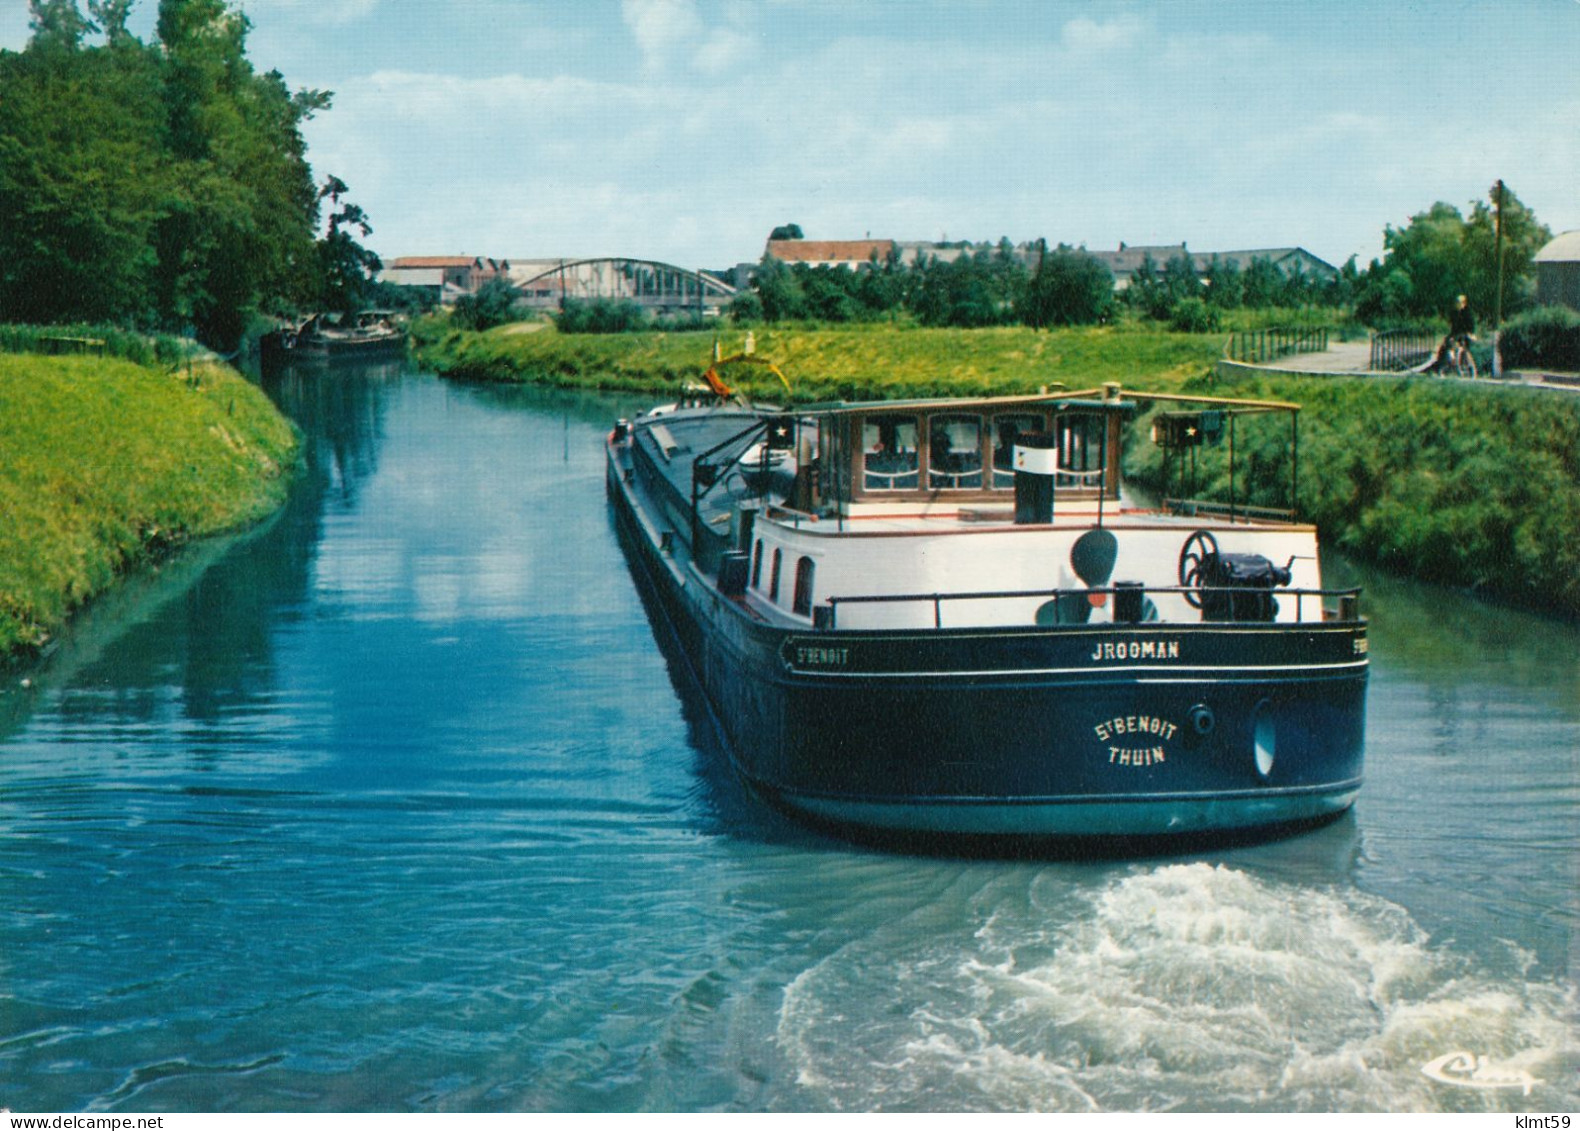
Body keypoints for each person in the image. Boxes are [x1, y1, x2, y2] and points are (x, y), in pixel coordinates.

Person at [1428, 295, 1476, 373]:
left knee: (1462, 346)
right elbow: (1453, 326)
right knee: (1445, 344)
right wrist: (1451, 336)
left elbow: (1471, 326)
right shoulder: (1454, 313)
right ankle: (1440, 364)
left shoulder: (1468, 313)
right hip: (1456, 334)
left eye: (1459, 302)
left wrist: (1470, 333)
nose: (1457, 304)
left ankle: (1464, 364)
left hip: (1466, 334)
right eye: (1456, 302)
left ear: (1464, 303)